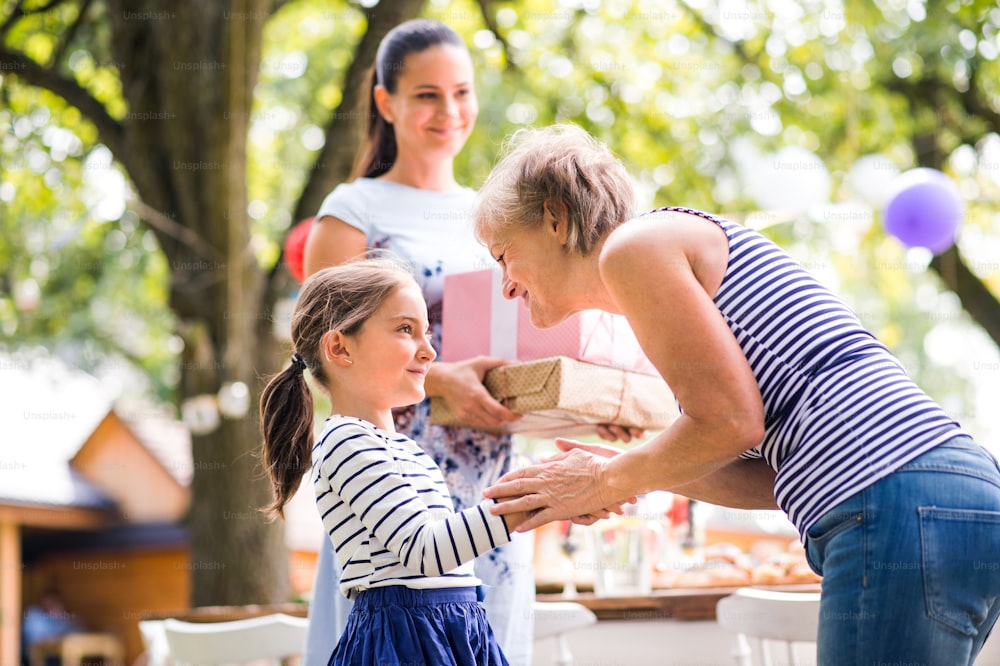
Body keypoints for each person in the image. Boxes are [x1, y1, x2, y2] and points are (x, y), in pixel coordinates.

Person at [475, 124, 1000, 665]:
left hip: (895, 497)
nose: (506, 285)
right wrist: (626, 475)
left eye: (502, 255)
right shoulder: (665, 258)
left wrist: (603, 481)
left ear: (556, 219)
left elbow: (730, 422)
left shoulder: (633, 249)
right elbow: (774, 470)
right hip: (955, 492)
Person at [302, 18, 637, 665]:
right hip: (391, 484)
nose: (448, 111)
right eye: (427, 94)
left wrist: (593, 409)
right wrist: (437, 379)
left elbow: (528, 339)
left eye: (462, 92)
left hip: (492, 476)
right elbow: (324, 353)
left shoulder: (492, 208)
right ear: (385, 102)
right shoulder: (353, 210)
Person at [260, 260, 541, 665]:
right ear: (339, 347)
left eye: (426, 331)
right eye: (405, 329)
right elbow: (424, 551)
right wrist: (530, 499)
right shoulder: (344, 442)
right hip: (403, 640)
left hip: (455, 630)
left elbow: (452, 558)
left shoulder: (408, 450)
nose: (430, 350)